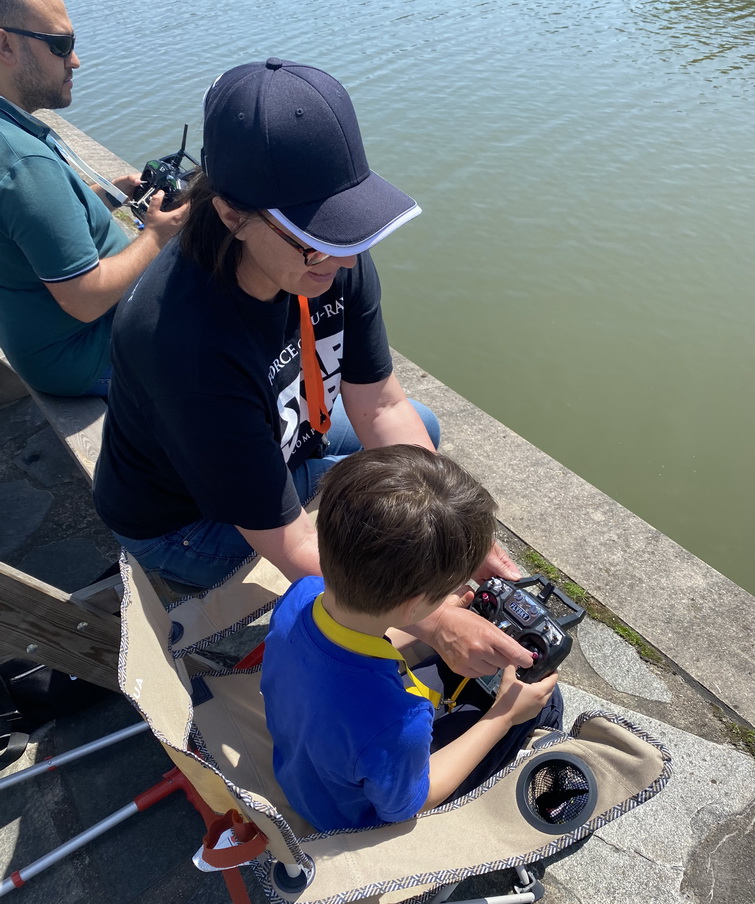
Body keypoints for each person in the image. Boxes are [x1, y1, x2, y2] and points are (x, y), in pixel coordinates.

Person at [93, 57, 529, 679]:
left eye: (349, 229)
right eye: (314, 235)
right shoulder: (180, 340)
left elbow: (380, 405)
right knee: (391, 567)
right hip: (185, 523)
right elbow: (293, 544)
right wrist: (432, 619)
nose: (342, 258)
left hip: (278, 435)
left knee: (423, 442)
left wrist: (463, 539)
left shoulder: (328, 257)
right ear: (232, 214)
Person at [261, 445, 563, 832]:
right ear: (413, 604)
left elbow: (346, 649)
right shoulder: (400, 723)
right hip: (355, 816)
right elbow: (412, 802)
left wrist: (431, 610)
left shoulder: (300, 597)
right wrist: (504, 716)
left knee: (462, 675)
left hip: (308, 766)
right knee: (541, 702)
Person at [0, 0, 186, 396]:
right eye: (61, 44)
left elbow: (38, 230)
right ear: (5, 47)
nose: (76, 61)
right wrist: (156, 236)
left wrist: (110, 193)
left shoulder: (10, 132)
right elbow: (84, 299)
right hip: (82, 352)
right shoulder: (23, 163)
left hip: (43, 339)